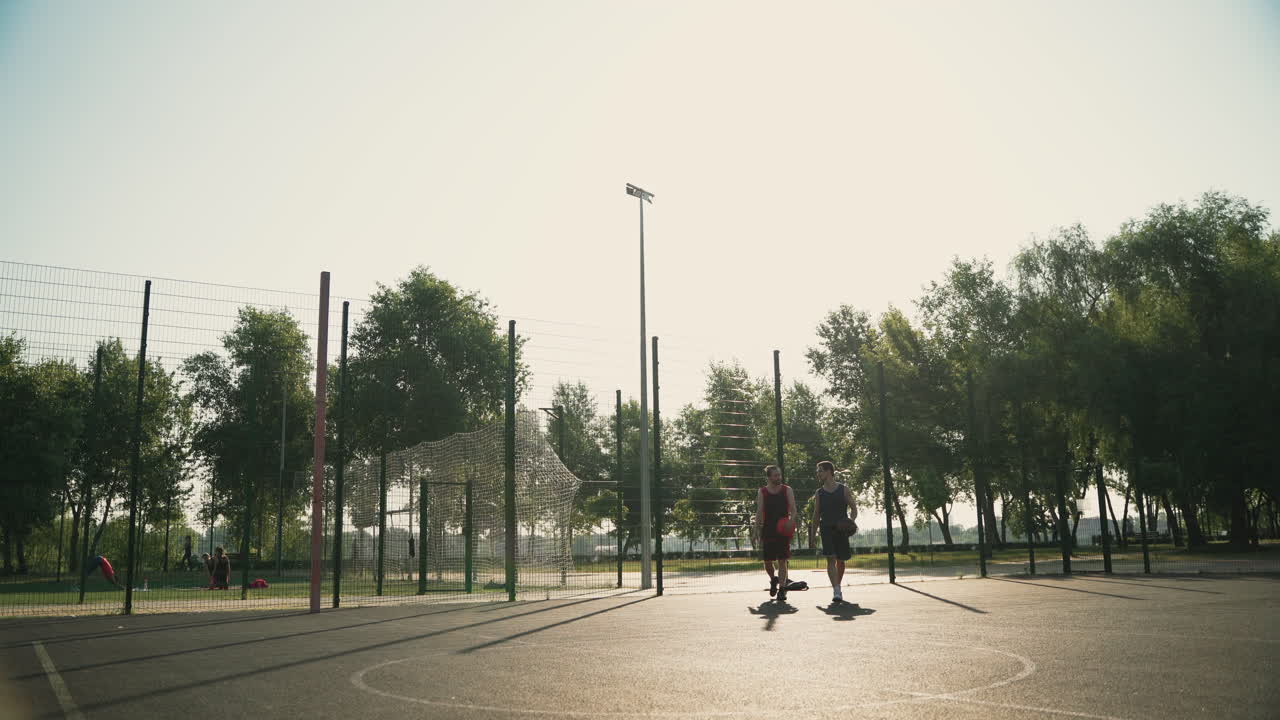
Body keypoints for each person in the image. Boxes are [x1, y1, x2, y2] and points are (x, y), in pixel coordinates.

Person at [808, 461, 859, 604]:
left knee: (841, 561)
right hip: (826, 529)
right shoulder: (819, 493)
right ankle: (836, 589)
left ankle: (837, 586)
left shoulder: (843, 489)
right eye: (818, 471)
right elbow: (816, 514)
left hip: (841, 529)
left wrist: (851, 521)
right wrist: (812, 535)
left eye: (820, 471)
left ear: (829, 471)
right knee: (830, 559)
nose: (818, 474)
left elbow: (854, 508)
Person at [756, 465, 796, 603]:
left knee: (783, 560)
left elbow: (794, 510)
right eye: (775, 475)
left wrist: (792, 522)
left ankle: (782, 589)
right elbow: (759, 511)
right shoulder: (762, 492)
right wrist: (756, 529)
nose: (779, 477)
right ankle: (773, 579)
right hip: (768, 529)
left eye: (779, 475)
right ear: (769, 477)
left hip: (783, 529)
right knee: (767, 562)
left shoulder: (787, 490)